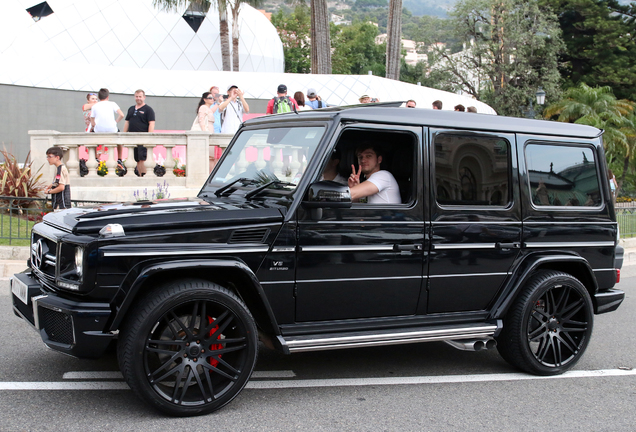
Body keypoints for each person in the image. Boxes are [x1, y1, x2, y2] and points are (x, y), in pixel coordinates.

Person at [124, 89, 156, 177]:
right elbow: (127, 122)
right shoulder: (131, 109)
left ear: (144, 97)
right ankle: (139, 175)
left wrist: (149, 136)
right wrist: (124, 134)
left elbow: (151, 123)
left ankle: (144, 175)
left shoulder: (148, 110)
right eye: (137, 96)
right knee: (136, 158)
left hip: (143, 137)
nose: (138, 98)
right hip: (132, 138)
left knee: (143, 158)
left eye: (140, 97)